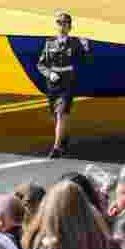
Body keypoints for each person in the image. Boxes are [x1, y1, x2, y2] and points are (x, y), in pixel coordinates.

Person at [36, 11, 92, 158]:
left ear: (70, 27)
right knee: (55, 116)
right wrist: (49, 74)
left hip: (68, 82)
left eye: (65, 23)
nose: (62, 26)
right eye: (59, 23)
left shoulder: (76, 43)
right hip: (53, 83)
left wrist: (86, 48)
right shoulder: (49, 43)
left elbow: (86, 61)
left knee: (61, 114)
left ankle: (56, 148)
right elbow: (41, 64)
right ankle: (63, 138)